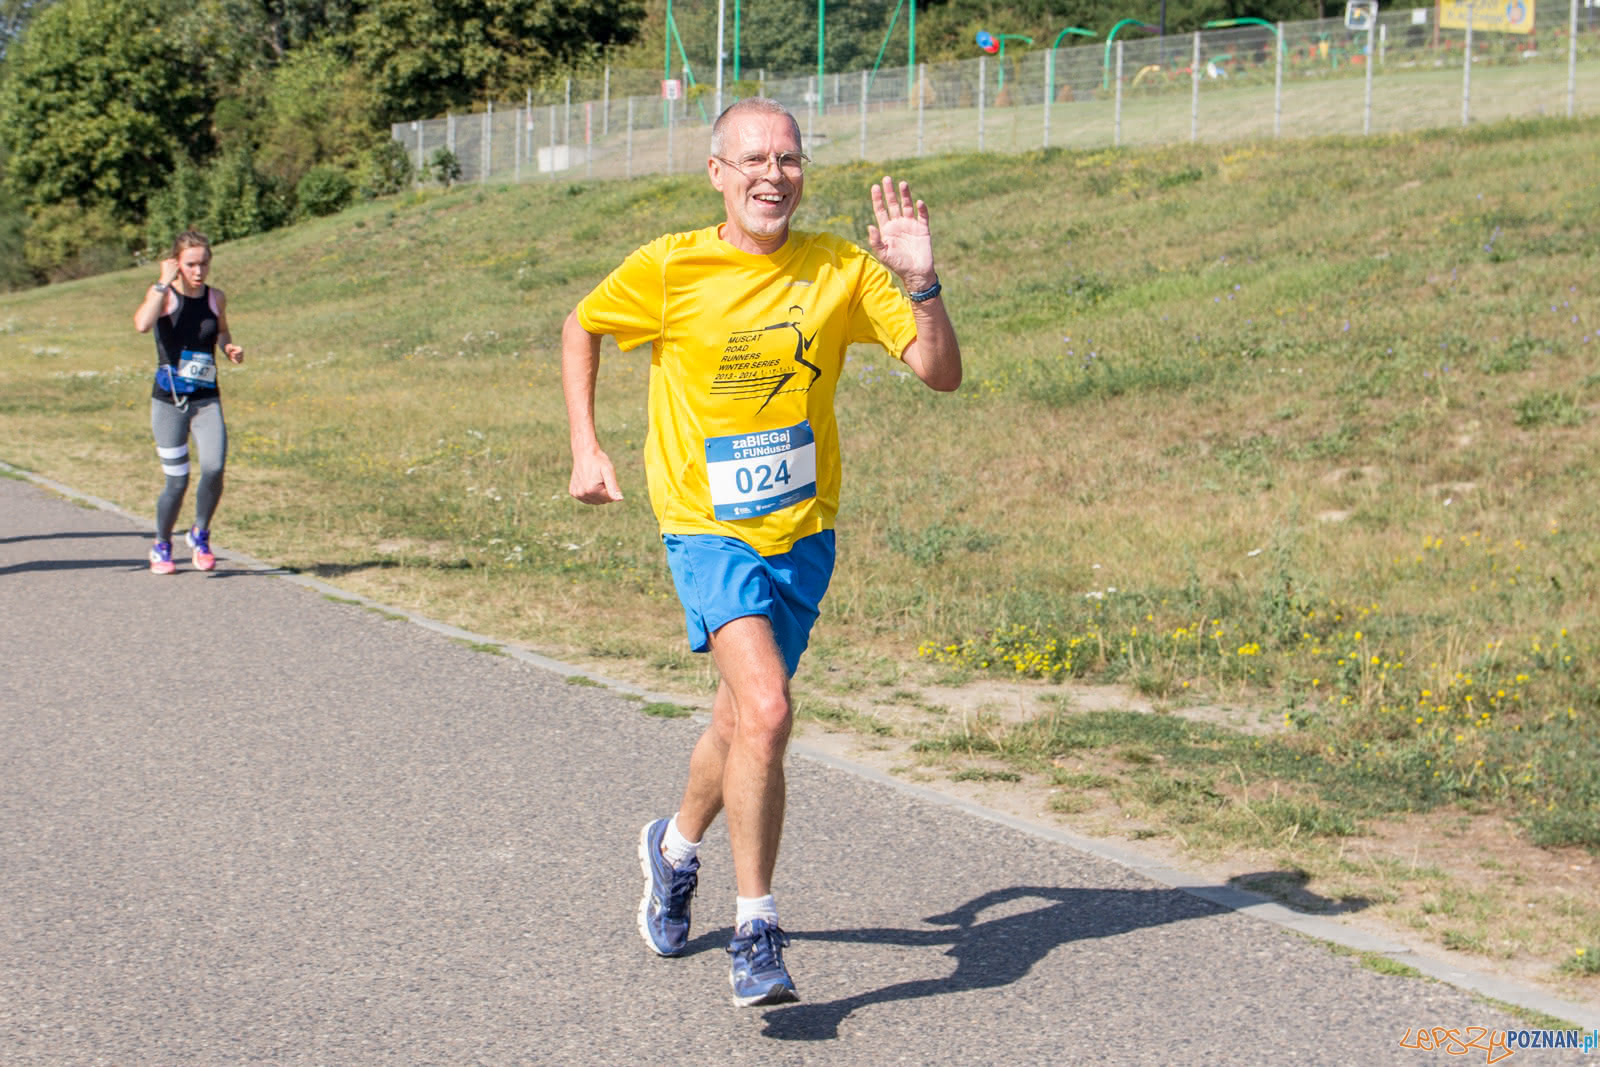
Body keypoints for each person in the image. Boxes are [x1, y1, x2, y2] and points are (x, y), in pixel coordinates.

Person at [562, 97, 961, 1006]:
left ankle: (671, 849)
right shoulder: (671, 267)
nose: (772, 175)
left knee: (743, 721)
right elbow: (582, 323)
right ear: (716, 174)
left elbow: (940, 374)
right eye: (752, 160)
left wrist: (924, 283)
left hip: (802, 532)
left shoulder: (841, 268)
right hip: (706, 525)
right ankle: (756, 928)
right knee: (772, 711)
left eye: (787, 159)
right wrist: (588, 444)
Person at [132, 230, 244, 574]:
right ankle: (162, 543)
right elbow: (141, 325)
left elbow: (221, 329)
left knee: (213, 467)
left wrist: (228, 347)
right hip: (169, 402)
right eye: (191, 264)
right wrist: (162, 283)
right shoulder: (164, 296)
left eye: (204, 264)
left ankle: (200, 533)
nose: (199, 271)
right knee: (177, 481)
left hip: (207, 398)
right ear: (176, 264)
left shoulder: (215, 298)